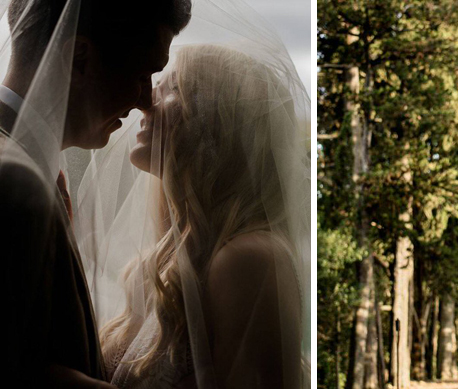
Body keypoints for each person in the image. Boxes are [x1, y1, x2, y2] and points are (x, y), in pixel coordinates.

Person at [87, 43, 307, 388]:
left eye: (174, 87)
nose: (145, 101)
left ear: (221, 120)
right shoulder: (164, 261)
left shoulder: (251, 259)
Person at [0, 0, 190, 387]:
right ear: (79, 58)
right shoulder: (13, 182)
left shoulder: (35, 170)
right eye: (143, 73)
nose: (147, 100)